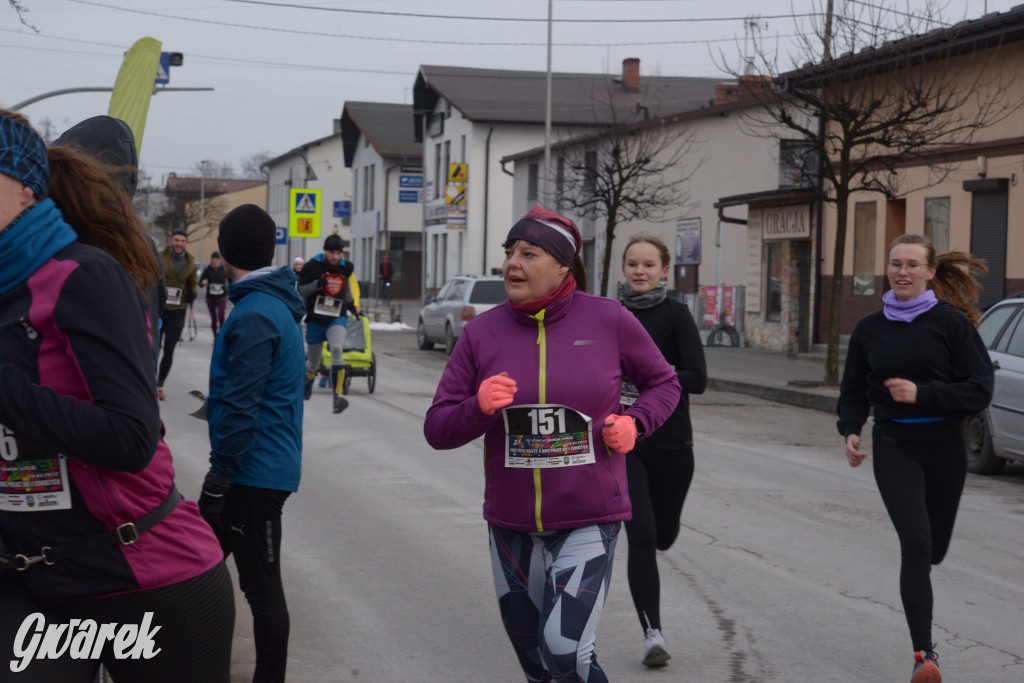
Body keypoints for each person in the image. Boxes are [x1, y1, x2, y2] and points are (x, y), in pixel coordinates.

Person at [0, 110, 233, 682]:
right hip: (35, 580)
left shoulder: (83, 275)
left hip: (146, 578)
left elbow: (131, 437)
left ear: (24, 187)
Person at [424, 206, 681, 682]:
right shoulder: (481, 333)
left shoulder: (609, 319)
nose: (512, 263)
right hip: (511, 526)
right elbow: (437, 428)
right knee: (538, 666)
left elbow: (664, 384)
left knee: (564, 650)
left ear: (563, 265)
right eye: (509, 252)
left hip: (589, 516)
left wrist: (635, 424)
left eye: (529, 253)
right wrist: (478, 407)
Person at [837, 234, 993, 683]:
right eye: (895, 264)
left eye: (911, 264)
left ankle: (924, 630)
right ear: (887, 269)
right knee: (917, 545)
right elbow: (853, 389)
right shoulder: (869, 329)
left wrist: (922, 393)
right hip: (894, 443)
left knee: (933, 550)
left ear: (929, 272)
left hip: (944, 445)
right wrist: (851, 428)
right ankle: (924, 655)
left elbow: (979, 390)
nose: (902, 272)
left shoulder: (951, 324)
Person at [197, 204, 305, 683]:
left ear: (225, 251)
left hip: (251, 474)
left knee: (261, 590)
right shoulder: (270, 304)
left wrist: (218, 478)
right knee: (193, 570)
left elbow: (245, 406)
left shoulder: (257, 312)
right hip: (257, 468)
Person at [618, 235, 707, 667]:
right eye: (633, 264)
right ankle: (652, 633)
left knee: (664, 536)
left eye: (649, 265)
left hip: (672, 443)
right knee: (642, 537)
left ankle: (664, 531)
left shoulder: (676, 315)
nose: (640, 271)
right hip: (626, 442)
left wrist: (655, 377)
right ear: (623, 269)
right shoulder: (610, 315)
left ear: (664, 271)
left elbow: (698, 378)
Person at [297, 233, 360, 414]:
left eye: (338, 253)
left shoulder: (346, 268)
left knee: (337, 349)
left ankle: (337, 397)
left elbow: (345, 288)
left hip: (337, 317)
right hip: (316, 319)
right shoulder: (311, 267)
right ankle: (309, 380)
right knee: (313, 363)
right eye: (332, 253)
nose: (335, 257)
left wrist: (352, 305)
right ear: (325, 252)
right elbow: (301, 291)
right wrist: (316, 284)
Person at [158, 227, 198, 399]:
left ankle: (160, 384)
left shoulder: (190, 263)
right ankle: (148, 382)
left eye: (182, 241)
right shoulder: (160, 258)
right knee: (153, 348)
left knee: (169, 350)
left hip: (178, 311)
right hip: (159, 310)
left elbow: (192, 284)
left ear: (186, 243)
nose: (179, 244)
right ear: (171, 241)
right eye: (176, 240)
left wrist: (193, 293)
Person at [200, 251, 230, 338]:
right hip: (210, 297)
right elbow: (200, 282)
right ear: (211, 260)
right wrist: (203, 282)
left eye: (216, 259)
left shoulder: (223, 269)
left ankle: (222, 335)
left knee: (221, 315)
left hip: (221, 296)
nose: (215, 261)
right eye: (213, 259)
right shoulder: (208, 269)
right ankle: (215, 337)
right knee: (214, 318)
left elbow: (231, 279)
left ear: (219, 260)